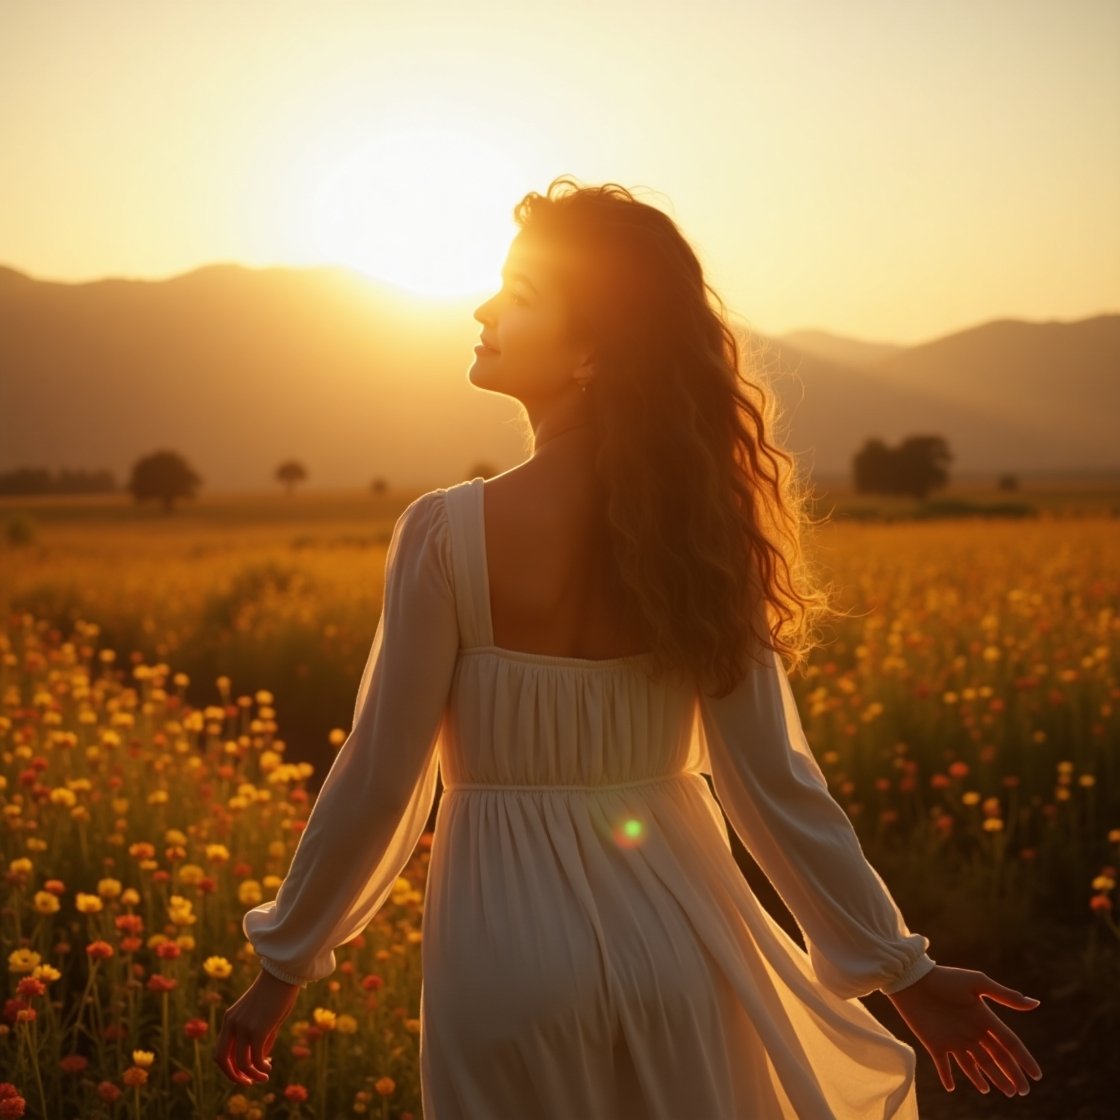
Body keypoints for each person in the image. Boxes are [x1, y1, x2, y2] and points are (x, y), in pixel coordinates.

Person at [214, 177, 1043, 1116]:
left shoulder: (447, 532)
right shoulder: (705, 539)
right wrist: (903, 972)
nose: (483, 308)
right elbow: (773, 786)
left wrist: (285, 963)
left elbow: (379, 779)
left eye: (520, 296)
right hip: (683, 952)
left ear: (593, 351)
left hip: (502, 960)